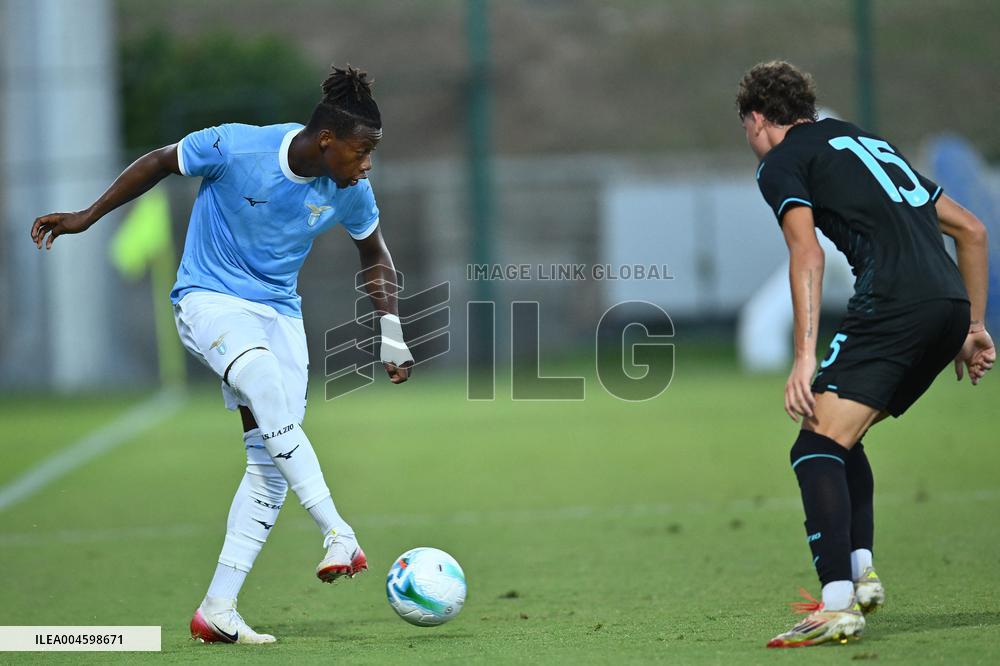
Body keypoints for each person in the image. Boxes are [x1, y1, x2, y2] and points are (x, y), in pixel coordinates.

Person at [30, 65, 414, 645]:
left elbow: (374, 254)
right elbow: (161, 160)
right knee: (260, 381)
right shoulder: (239, 146)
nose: (367, 166)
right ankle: (338, 531)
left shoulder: (351, 190)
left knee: (270, 465)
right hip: (210, 299)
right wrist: (87, 217)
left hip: (279, 314)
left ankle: (218, 610)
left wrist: (392, 329)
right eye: (362, 152)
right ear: (327, 139)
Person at [736, 60, 995, 648]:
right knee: (840, 435)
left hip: (895, 304)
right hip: (948, 303)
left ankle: (835, 604)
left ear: (756, 119)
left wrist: (803, 359)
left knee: (815, 444)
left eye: (746, 129)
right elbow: (973, 230)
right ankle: (859, 573)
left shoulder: (781, 162)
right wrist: (973, 325)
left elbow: (808, 256)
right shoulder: (865, 140)